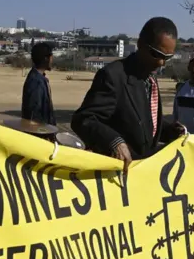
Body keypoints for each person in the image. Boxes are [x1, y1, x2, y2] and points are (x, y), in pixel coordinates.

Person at [71, 17, 186, 171]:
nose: (161, 63)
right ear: (140, 44)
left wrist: (168, 131)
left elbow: (140, 122)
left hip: (141, 177)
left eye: (167, 58)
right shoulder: (113, 75)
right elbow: (83, 120)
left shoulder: (150, 77)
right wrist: (114, 141)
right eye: (156, 54)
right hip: (114, 176)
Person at [21, 42, 56, 125]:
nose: (52, 60)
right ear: (46, 59)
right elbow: (34, 115)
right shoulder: (36, 82)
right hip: (39, 133)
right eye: (51, 57)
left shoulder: (39, 79)